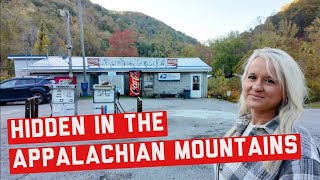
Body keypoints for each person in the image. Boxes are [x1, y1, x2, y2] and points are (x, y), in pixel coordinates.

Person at [214, 48, 320, 179]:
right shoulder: (242, 126)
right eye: (252, 77)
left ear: (287, 90)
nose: (257, 87)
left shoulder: (299, 150)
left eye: (270, 81)